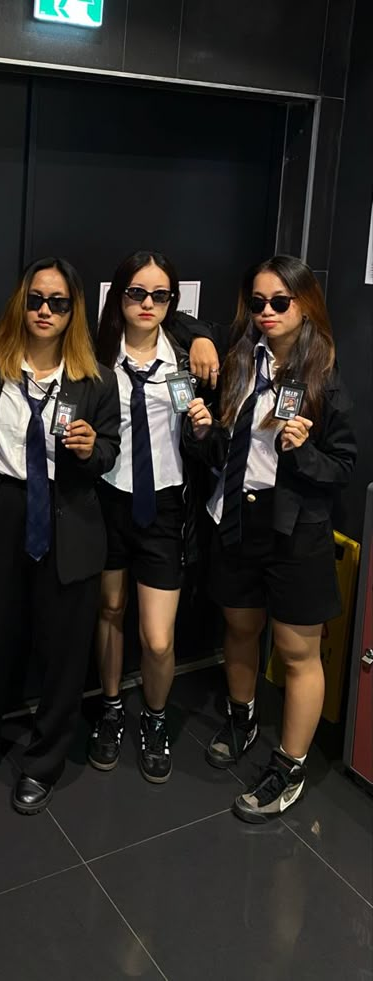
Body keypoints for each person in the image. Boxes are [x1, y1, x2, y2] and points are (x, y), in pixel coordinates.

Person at [185, 255, 356, 822]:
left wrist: (302, 450)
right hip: (234, 516)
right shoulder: (239, 362)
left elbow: (341, 469)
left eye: (279, 302)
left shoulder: (323, 377)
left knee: (296, 650)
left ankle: (290, 764)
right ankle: (242, 715)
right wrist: (205, 432)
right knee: (239, 626)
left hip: (293, 531)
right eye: (256, 302)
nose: (266, 313)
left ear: (304, 304)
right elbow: (222, 454)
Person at [0, 256, 121, 814]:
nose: (44, 311)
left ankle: (45, 760)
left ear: (74, 311)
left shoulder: (96, 380)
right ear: (20, 303)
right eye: (36, 300)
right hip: (2, 509)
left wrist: (88, 451)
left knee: (64, 650)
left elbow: (110, 452)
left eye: (58, 302)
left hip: (68, 513)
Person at [90, 251, 220, 780]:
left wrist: (204, 429)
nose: (147, 304)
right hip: (108, 500)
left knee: (159, 637)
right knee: (110, 612)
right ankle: (112, 708)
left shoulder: (190, 361)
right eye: (136, 293)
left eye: (160, 295)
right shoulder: (95, 356)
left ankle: (156, 717)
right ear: (118, 297)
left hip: (165, 506)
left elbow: (209, 446)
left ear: (173, 302)